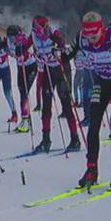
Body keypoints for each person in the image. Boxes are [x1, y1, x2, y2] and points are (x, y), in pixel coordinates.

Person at [75, 12, 111, 189]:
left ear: (101, 29)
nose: (92, 38)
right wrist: (60, 56)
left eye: (95, 35)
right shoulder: (82, 38)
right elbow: (70, 52)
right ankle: (91, 170)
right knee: (93, 124)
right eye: (88, 35)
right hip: (101, 82)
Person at [30, 15, 82, 154]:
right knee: (46, 105)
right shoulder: (34, 35)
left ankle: (75, 139)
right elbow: (24, 47)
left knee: (66, 104)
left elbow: (61, 43)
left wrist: (57, 47)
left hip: (61, 69)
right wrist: (19, 48)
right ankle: (46, 139)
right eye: (38, 28)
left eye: (43, 28)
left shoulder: (54, 33)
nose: (40, 31)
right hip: (48, 71)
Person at [7, 24, 37, 133]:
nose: (11, 39)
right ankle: (25, 119)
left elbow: (29, 49)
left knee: (25, 92)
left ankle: (26, 121)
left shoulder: (23, 40)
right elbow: (11, 52)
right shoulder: (10, 42)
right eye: (9, 37)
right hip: (20, 67)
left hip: (30, 67)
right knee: (21, 92)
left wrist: (23, 46)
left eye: (13, 37)